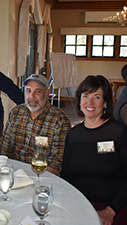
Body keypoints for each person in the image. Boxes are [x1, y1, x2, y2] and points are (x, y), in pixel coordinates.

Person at [61, 75, 127, 225]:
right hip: (80, 204)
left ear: (105, 103)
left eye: (97, 97)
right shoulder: (73, 134)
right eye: (85, 96)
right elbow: (66, 174)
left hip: (114, 207)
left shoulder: (119, 132)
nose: (89, 102)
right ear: (79, 100)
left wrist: (111, 210)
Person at [0, 74, 71, 175]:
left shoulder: (59, 120)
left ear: (47, 93)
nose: (31, 96)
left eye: (38, 91)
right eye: (28, 91)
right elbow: (4, 147)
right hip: (14, 172)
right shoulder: (16, 113)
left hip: (42, 175)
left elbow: (56, 163)